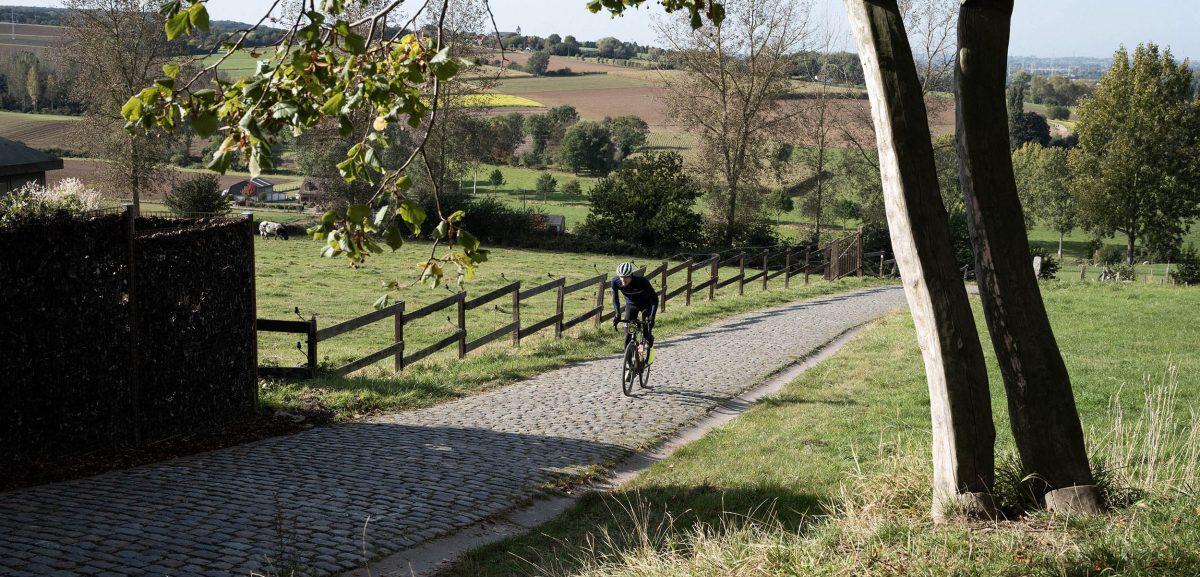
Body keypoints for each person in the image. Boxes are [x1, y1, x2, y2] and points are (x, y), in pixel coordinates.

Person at [611, 262, 658, 363]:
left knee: (646, 333)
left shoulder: (642, 281)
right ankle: (629, 365)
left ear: (631, 276)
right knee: (627, 336)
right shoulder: (615, 282)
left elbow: (655, 299)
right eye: (621, 277)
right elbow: (615, 299)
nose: (623, 280)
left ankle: (650, 345)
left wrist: (652, 317)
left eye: (625, 277)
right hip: (631, 305)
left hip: (646, 305)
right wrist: (617, 314)